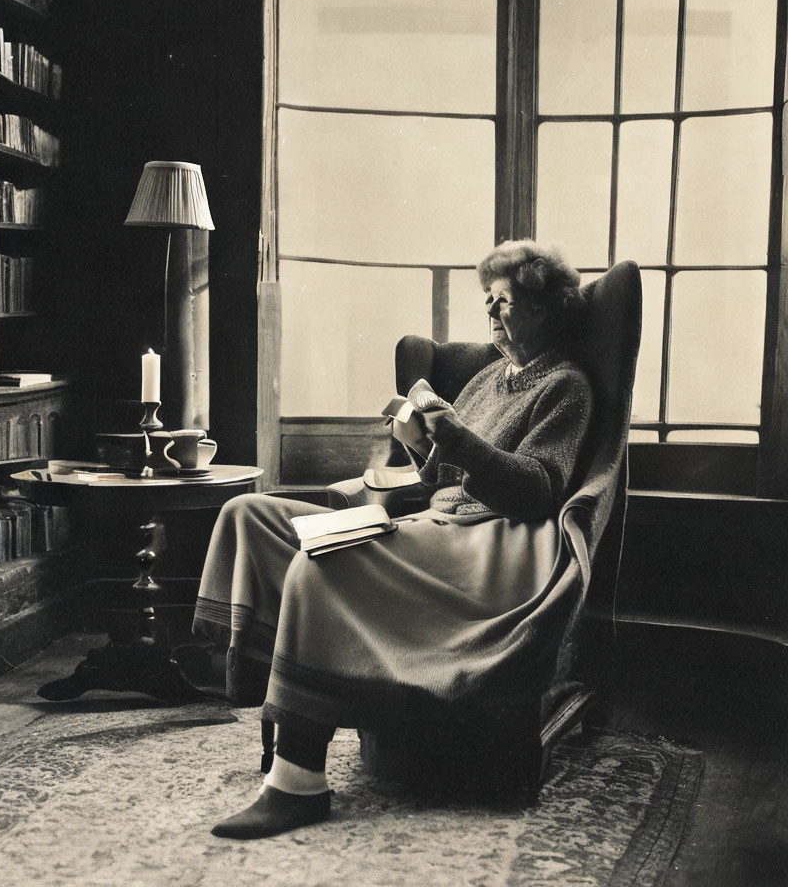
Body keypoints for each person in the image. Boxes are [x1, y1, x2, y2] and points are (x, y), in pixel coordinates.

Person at [192, 240, 594, 839]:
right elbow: (442, 472)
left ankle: (298, 782)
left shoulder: (567, 387)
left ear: (544, 308)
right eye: (487, 300)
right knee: (247, 512)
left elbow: (536, 488)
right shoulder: (490, 376)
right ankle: (269, 690)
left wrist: (454, 437)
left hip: (490, 545)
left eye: (504, 301)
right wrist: (418, 437)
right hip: (440, 519)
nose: (490, 312)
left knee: (318, 563)